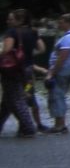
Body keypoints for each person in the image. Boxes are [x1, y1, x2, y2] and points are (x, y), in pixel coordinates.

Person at [43, 14, 70, 134]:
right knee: (60, 95)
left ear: (68, 23)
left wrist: (52, 72)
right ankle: (60, 123)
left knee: (57, 95)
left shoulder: (68, 38)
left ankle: (59, 125)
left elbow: (62, 57)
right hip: (69, 68)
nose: (59, 24)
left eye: (61, 22)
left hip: (62, 70)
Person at [1, 9, 36, 138]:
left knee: (16, 98)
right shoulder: (32, 32)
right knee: (12, 97)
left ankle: (28, 127)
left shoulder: (12, 32)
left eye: (11, 19)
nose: (8, 21)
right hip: (27, 70)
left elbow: (7, 50)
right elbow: (41, 48)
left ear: (19, 20)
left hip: (11, 69)